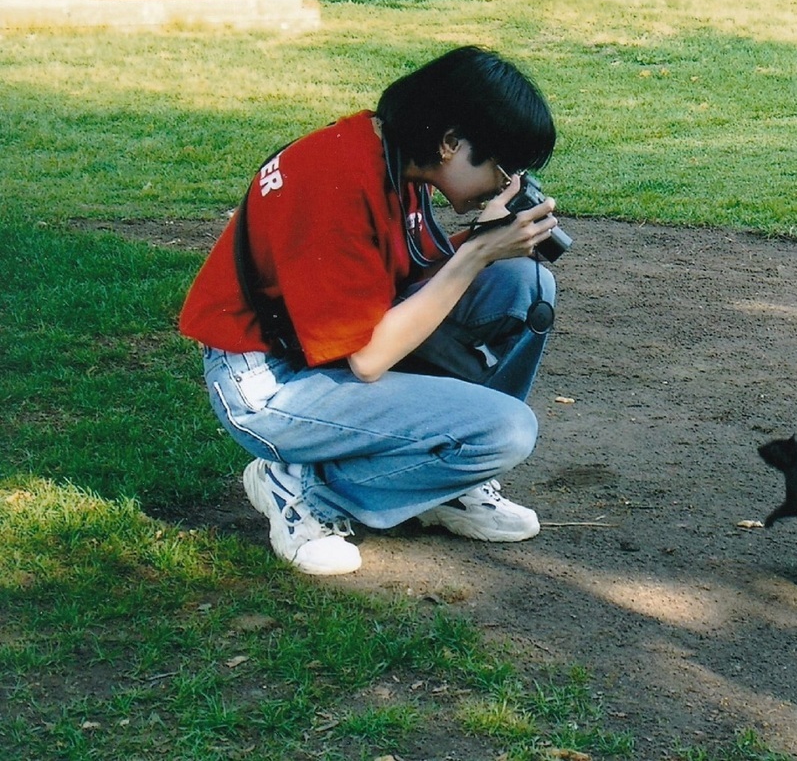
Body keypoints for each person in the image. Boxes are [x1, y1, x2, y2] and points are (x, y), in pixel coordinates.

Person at [178, 46, 562, 576]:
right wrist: (476, 252)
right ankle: (299, 487)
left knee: (521, 281)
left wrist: (483, 243)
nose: (505, 183)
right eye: (503, 166)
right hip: (268, 383)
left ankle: (448, 484)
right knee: (506, 430)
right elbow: (369, 359)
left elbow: (399, 280)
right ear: (451, 143)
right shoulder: (334, 177)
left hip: (317, 352)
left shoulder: (388, 155)